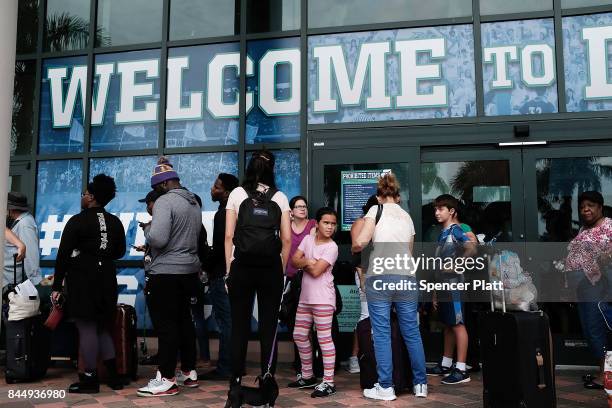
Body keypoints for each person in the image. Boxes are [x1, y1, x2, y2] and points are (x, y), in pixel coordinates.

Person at [353, 173, 428, 401]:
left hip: (380, 276)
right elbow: (409, 252)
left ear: (378, 196)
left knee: (383, 333)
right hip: (406, 278)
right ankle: (420, 385)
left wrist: (357, 246)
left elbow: (360, 242)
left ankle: (385, 387)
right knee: (412, 333)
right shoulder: (407, 217)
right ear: (398, 197)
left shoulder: (374, 211)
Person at [224, 150, 291, 398]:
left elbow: (229, 236)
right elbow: (286, 238)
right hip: (271, 268)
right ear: (271, 169)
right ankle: (267, 378)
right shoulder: (280, 197)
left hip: (241, 266)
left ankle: (236, 379)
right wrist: (281, 272)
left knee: (239, 326)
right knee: (268, 327)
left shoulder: (237, 194)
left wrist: (229, 271)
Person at [51, 174, 126, 393]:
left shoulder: (77, 220)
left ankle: (90, 379)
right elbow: (120, 251)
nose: (82, 197)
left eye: (84, 194)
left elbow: (63, 255)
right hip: (107, 278)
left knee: (86, 327)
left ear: (92, 197)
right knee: (103, 326)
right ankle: (114, 377)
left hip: (83, 278)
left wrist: (56, 286)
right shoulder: (115, 221)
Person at [137, 157, 202, 397]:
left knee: (166, 326)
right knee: (185, 322)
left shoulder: (165, 201)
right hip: (189, 271)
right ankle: (188, 371)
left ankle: (165, 378)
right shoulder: (193, 201)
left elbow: (160, 239)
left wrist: (147, 229)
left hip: (166, 273)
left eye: (156, 188)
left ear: (163, 185)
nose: (155, 193)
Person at [289, 207, 339, 398]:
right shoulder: (308, 239)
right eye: (326, 223)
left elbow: (317, 272)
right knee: (299, 335)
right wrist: (311, 261)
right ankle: (308, 376)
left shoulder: (332, 247)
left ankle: (328, 382)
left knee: (324, 340)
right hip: (305, 299)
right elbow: (294, 261)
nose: (330, 227)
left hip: (323, 300)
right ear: (317, 224)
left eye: (333, 224)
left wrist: (307, 262)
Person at [565, 191, 612, 390]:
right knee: (590, 329)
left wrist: (605, 257)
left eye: (591, 205)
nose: (585, 209)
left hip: (600, 286)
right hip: (584, 288)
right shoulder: (585, 230)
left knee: (597, 329)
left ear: (600, 207)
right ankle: (604, 372)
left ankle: (606, 376)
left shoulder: (609, 227)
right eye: (582, 206)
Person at [426, 194, 472, 385]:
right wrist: (436, 291)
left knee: (458, 325)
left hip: (455, 286)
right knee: (448, 324)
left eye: (441, 209)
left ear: (451, 211)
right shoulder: (442, 233)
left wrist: (457, 265)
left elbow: (472, 248)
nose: (437, 212)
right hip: (443, 286)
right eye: (435, 209)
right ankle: (446, 364)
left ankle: (461, 370)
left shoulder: (456, 230)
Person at [199, 173, 239, 381]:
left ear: (227, 192)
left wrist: (204, 262)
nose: (212, 190)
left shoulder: (223, 214)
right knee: (231, 321)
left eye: (216, 187)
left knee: (226, 322)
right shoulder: (236, 212)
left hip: (221, 274)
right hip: (234, 274)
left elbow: (222, 246)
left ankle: (225, 367)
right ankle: (234, 366)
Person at [344, 194, 379, 374]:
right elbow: (356, 249)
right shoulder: (362, 222)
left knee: (380, 317)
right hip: (364, 272)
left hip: (383, 273)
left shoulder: (386, 224)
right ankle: (356, 357)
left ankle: (374, 356)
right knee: (365, 316)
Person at [286, 195, 316, 377]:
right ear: (291, 211)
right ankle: (299, 363)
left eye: (304, 206)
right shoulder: (286, 226)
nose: (302, 209)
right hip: (290, 279)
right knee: (293, 322)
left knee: (309, 324)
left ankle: (309, 366)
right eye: (298, 207)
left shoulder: (312, 224)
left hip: (308, 277)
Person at [3, 192, 41, 292]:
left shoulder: (25, 223)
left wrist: (34, 284)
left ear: (10, 208)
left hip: (14, 283)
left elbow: (31, 254)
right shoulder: (18, 221)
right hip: (9, 279)